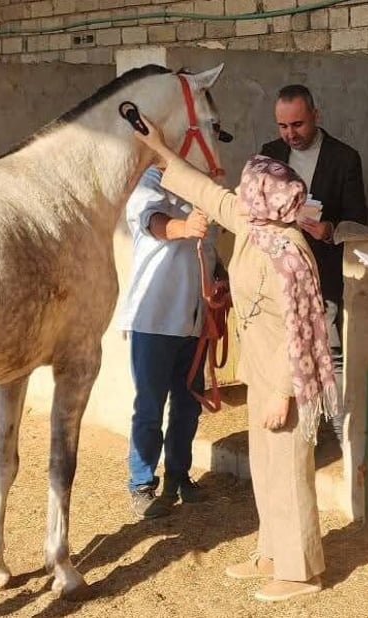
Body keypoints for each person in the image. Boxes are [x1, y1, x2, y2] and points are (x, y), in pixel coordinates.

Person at [133, 115, 339, 603]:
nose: (240, 196)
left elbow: (302, 332)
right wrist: (161, 149)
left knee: (289, 470)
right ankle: (272, 552)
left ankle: (301, 572)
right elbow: (206, 192)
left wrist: (284, 393)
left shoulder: (289, 254)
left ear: (265, 199)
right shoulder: (256, 225)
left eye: (249, 190)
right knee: (266, 468)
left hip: (284, 379)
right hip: (260, 372)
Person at [260, 85, 366, 442]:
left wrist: (330, 230)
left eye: (298, 124)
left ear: (316, 116)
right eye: (283, 126)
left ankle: (340, 433)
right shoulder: (270, 155)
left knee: (330, 349)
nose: (290, 134)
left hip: (324, 271)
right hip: (280, 269)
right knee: (284, 345)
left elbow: (358, 220)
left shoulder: (345, 158)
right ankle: (305, 433)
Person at [120, 165, 219, 519]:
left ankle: (179, 475)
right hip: (155, 318)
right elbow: (152, 221)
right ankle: (141, 482)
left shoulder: (206, 186)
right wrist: (184, 227)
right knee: (150, 405)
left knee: (188, 405)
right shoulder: (150, 179)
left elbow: (208, 250)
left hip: (193, 320)